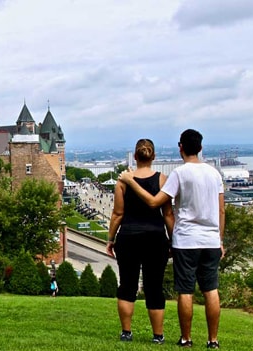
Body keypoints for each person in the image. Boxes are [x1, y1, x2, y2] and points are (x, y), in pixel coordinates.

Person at [119, 129, 225, 349]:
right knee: (210, 290)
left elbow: (155, 203)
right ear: (201, 147)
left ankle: (186, 338)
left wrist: (130, 180)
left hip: (186, 240)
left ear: (181, 147)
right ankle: (213, 340)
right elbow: (221, 211)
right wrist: (220, 239)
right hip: (211, 240)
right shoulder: (215, 174)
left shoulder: (179, 173)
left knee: (186, 290)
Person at [106, 138, 174, 344]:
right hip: (155, 237)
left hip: (128, 237)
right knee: (154, 286)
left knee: (127, 284)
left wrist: (110, 239)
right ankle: (158, 335)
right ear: (153, 157)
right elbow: (168, 214)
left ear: (135, 157)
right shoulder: (162, 179)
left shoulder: (123, 181)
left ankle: (126, 332)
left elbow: (118, 213)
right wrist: (173, 240)